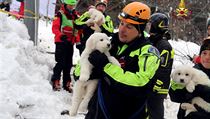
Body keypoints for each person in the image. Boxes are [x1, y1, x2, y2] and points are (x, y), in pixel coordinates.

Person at [84, 2, 160, 119]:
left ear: (140, 30)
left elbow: (141, 83)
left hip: (128, 114)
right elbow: (79, 74)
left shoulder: (148, 52)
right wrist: (87, 67)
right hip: (97, 111)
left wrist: (106, 67)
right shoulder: (110, 42)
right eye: (121, 23)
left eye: (129, 27)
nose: (122, 29)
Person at [169, 38, 210, 119]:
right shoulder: (190, 71)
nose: (207, 57)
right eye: (204, 53)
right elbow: (175, 97)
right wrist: (179, 90)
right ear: (200, 55)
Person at [147, 13, 174, 119]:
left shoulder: (164, 45)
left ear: (158, 25)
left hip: (158, 87)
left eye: (151, 24)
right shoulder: (152, 41)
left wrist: (156, 84)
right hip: (149, 84)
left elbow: (163, 69)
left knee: (155, 113)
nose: (148, 27)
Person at [51, 0, 80, 93]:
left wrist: (77, 41)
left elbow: (77, 29)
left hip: (70, 42)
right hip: (61, 41)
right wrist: (60, 35)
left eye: (73, 5)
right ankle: (56, 80)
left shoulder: (75, 15)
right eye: (70, 5)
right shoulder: (60, 14)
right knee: (60, 62)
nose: (71, 7)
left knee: (68, 64)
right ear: (65, 4)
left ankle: (67, 82)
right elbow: (55, 27)